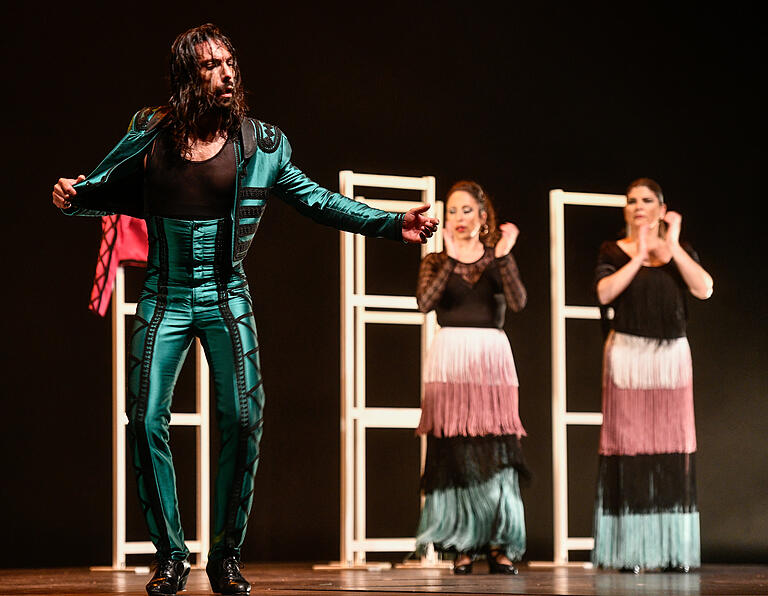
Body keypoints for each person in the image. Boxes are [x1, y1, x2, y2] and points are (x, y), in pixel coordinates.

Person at [51, 24, 438, 596]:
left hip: (227, 293)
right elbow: (102, 190)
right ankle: (171, 557)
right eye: (210, 65)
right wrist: (73, 198)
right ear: (188, 76)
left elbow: (318, 201)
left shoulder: (261, 144)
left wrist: (392, 223)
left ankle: (225, 555)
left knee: (245, 417)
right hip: (164, 294)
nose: (226, 73)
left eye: (230, 63)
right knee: (146, 418)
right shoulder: (151, 134)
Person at [592, 178, 713, 573]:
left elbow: (705, 288)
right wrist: (639, 253)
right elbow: (605, 293)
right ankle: (632, 552)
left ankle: (673, 549)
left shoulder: (679, 252)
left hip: (670, 360)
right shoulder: (614, 250)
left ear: (662, 209)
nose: (637, 206)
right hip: (628, 357)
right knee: (630, 452)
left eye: (646, 200)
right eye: (631, 201)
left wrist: (671, 246)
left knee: (671, 451)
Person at [413, 181, 528, 575]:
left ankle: (500, 545)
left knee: (496, 450)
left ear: (483, 216)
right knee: (455, 450)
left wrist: (504, 257)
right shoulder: (435, 261)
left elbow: (518, 301)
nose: (459, 219)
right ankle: (463, 544)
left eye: (467, 211)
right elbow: (425, 304)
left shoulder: (497, 258)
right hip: (450, 360)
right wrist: (449, 257)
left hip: (491, 360)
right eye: (452, 212)